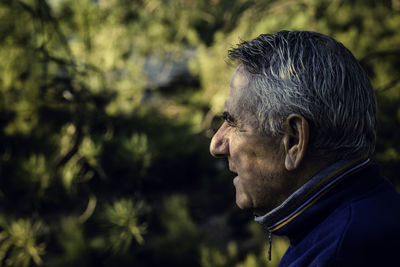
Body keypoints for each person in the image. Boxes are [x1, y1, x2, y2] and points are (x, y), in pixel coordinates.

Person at [209, 31, 400, 266]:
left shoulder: (341, 254)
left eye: (234, 123)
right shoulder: (361, 219)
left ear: (294, 140)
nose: (216, 145)